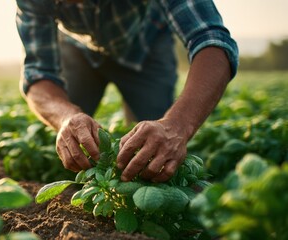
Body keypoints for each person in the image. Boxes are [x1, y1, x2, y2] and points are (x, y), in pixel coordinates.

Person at [15, 0, 238, 182]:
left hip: (147, 47)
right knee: (71, 151)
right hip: (77, 50)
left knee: (154, 160)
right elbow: (38, 74)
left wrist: (177, 125)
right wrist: (65, 117)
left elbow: (210, 38)